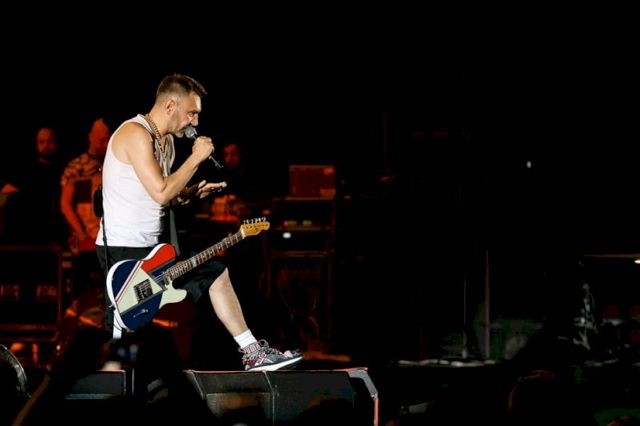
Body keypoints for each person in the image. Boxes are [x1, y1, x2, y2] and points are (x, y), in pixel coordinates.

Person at [95, 73, 303, 371]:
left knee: (215, 273)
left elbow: (163, 196)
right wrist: (195, 159)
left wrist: (190, 193)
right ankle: (104, 391)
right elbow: (161, 191)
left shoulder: (165, 141)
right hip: (123, 250)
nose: (195, 121)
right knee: (123, 333)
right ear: (170, 105)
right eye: (191, 113)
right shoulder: (135, 134)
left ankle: (254, 353)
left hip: (154, 251)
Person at [60, 118, 110, 297]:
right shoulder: (76, 167)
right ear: (90, 137)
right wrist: (80, 233)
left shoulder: (114, 165)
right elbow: (65, 204)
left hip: (111, 240)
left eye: (107, 139)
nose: (105, 144)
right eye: (101, 140)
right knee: (80, 290)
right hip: (85, 240)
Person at [0, 126, 65, 242]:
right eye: (41, 142)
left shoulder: (66, 169)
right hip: (27, 230)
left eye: (49, 141)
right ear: (36, 144)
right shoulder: (26, 169)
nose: (46, 145)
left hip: (57, 229)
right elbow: (6, 190)